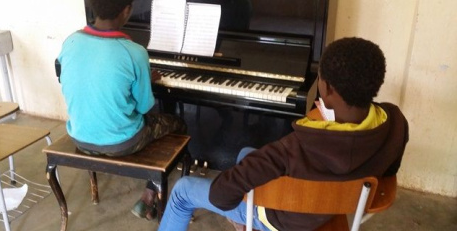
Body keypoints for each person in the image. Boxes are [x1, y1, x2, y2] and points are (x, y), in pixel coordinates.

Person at [158, 37, 409, 231]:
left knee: (182, 190)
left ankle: (250, 221)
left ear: (327, 88)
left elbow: (221, 196)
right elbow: (388, 173)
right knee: (246, 154)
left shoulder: (293, 148)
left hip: (281, 220)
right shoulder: (395, 122)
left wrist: (235, 200)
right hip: (336, 206)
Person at [56, 0, 186, 221]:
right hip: (122, 144)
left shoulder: (70, 42)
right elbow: (145, 107)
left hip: (80, 137)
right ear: (127, 10)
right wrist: (143, 81)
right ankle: (151, 195)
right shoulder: (134, 51)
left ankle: (151, 192)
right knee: (178, 123)